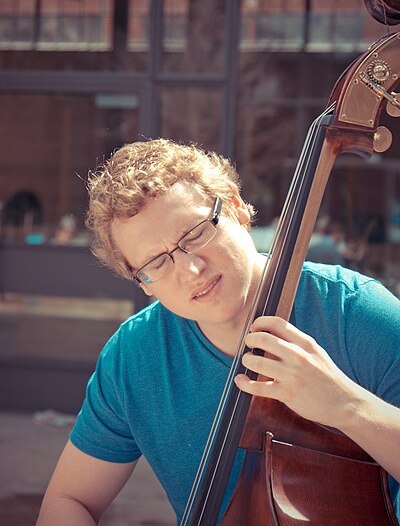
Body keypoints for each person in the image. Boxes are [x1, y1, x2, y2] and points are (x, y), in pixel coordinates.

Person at [37, 138, 400, 525]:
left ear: (237, 207)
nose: (191, 270)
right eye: (156, 263)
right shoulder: (134, 357)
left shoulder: (354, 313)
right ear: (141, 282)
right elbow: (69, 499)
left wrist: (350, 408)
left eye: (194, 234)